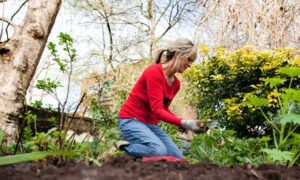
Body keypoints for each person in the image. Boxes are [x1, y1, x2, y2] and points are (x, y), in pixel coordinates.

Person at [118, 38, 203, 159]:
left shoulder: (176, 84)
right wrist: (185, 122)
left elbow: (163, 109)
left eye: (192, 62)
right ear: (178, 54)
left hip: (151, 125)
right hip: (131, 120)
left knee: (179, 159)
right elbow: (157, 110)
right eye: (188, 59)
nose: (190, 65)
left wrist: (182, 122)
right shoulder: (154, 72)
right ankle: (121, 148)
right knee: (158, 150)